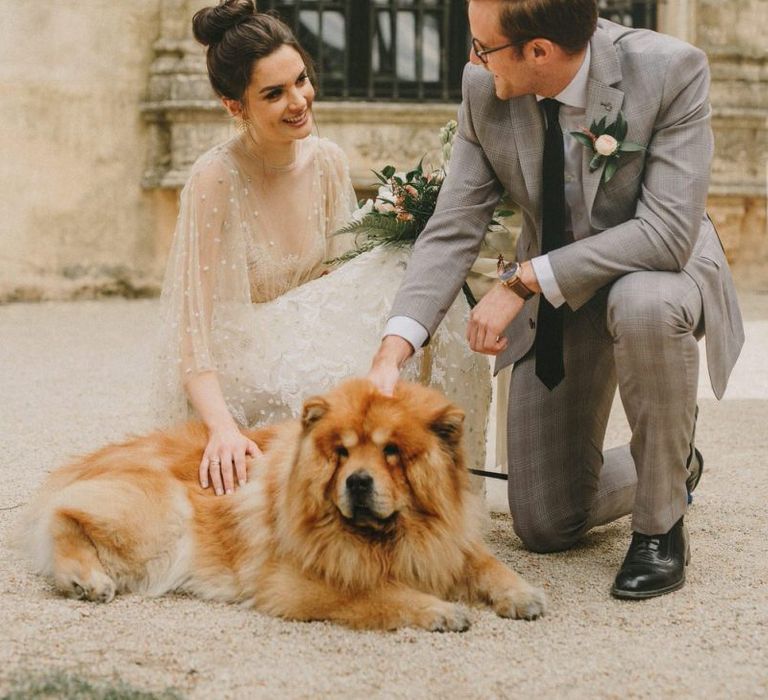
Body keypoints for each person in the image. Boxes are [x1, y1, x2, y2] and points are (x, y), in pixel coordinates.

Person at [368, 0, 744, 599]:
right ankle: (677, 460)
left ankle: (660, 527)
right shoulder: (485, 88)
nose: (473, 58)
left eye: (482, 46)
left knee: (642, 302)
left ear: (538, 51)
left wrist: (520, 282)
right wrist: (394, 348)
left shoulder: (671, 71)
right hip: (559, 290)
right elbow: (454, 225)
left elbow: (666, 234)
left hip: (657, 272)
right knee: (545, 521)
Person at [154, 0, 491, 499]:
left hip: (301, 331)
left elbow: (339, 281)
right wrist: (223, 428)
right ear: (234, 106)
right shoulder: (214, 180)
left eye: (301, 80)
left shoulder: (327, 160)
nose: (298, 100)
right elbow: (192, 330)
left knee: (410, 280)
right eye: (274, 93)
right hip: (242, 355)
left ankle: (431, 471)